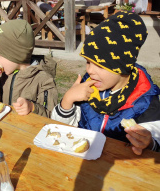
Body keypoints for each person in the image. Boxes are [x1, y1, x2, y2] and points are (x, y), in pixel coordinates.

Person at [51, 11, 160, 155]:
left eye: (99, 65)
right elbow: (59, 129)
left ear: (121, 66)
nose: (89, 70)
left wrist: (149, 141)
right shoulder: (88, 86)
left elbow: (155, 134)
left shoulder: (144, 98)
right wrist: (68, 100)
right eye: (88, 62)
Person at [0, 19, 58, 118]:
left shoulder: (44, 80)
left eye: (0, 55)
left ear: (16, 55)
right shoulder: (5, 74)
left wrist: (32, 107)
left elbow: (51, 116)